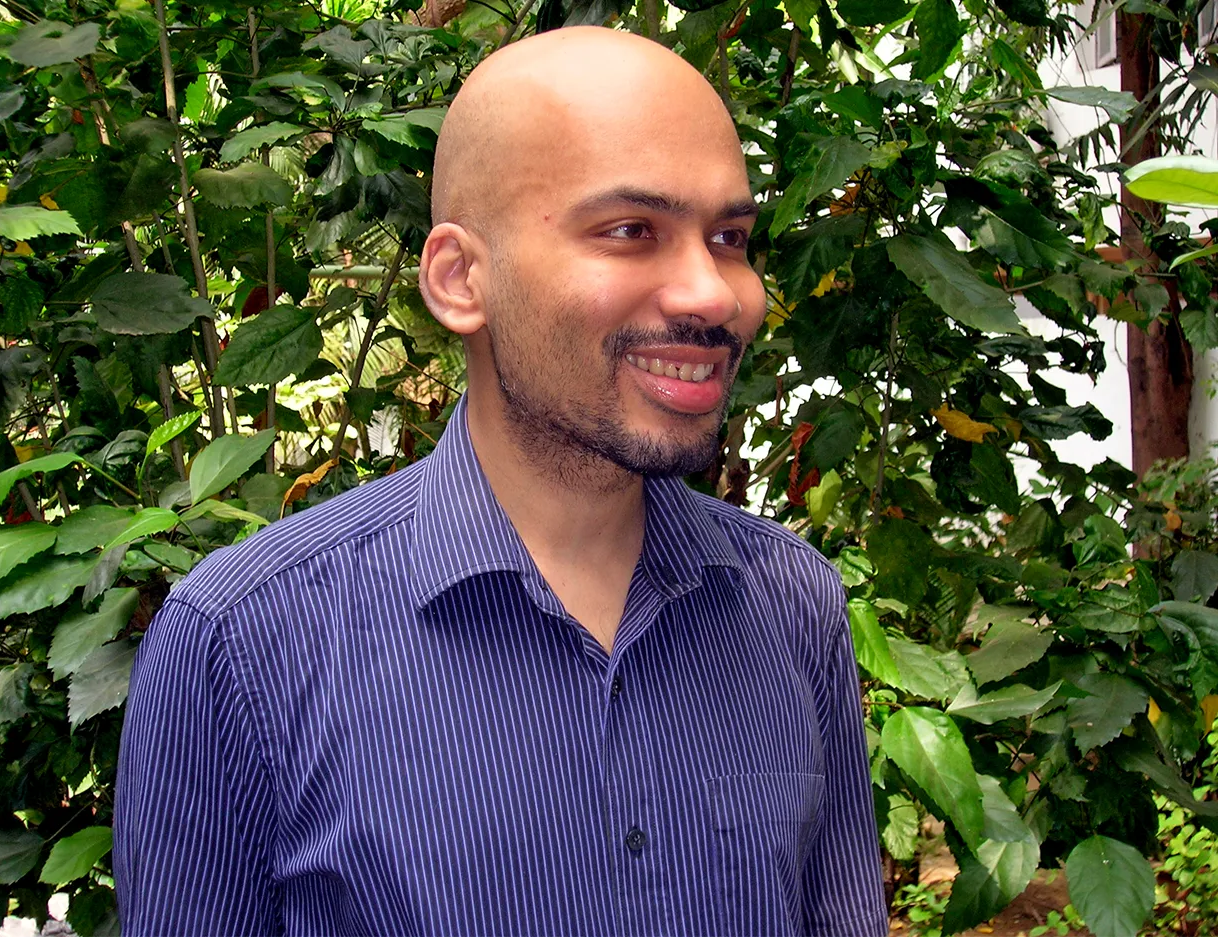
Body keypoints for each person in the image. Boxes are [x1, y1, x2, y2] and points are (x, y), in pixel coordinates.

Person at [114, 24, 887, 937]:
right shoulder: (243, 647)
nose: (718, 294)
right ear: (459, 279)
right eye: (632, 230)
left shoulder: (790, 602)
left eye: (728, 236)